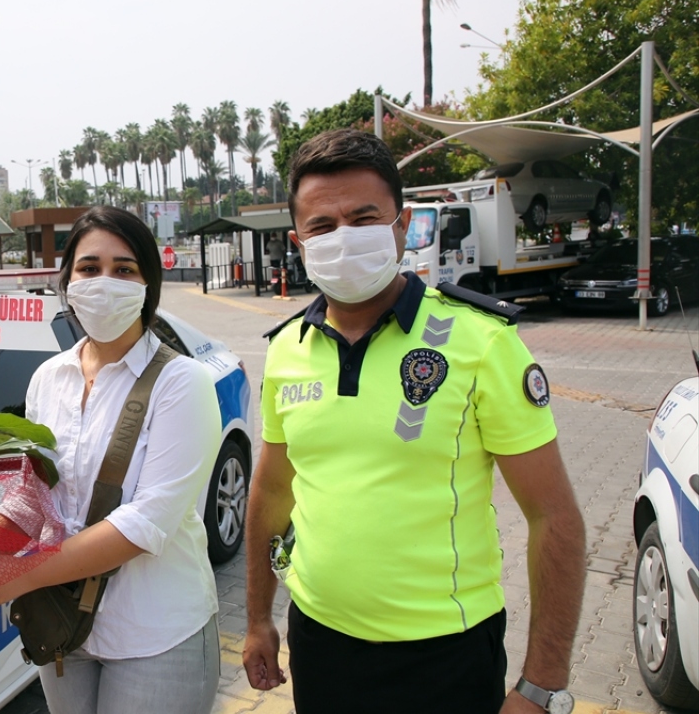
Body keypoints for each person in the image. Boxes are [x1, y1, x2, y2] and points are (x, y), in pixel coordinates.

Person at [242, 130, 586, 714]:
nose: (343, 237)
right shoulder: (287, 348)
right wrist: (257, 618)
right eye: (323, 227)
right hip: (321, 643)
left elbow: (554, 517)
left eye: (363, 217)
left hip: (445, 657)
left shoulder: (480, 341)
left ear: (401, 227)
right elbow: (273, 491)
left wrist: (541, 685)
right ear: (299, 242)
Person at [0, 205, 222, 714]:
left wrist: (16, 580)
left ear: (148, 285)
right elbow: (34, 495)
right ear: (67, 281)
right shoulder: (49, 377)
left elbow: (145, 522)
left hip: (156, 630)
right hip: (64, 623)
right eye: (89, 268)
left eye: (124, 269)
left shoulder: (182, 383)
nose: (104, 282)